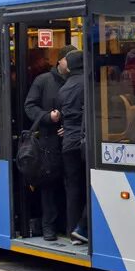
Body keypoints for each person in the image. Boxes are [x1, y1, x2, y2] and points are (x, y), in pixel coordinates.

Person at [24, 44, 76, 240]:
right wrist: (47, 117)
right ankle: (49, 226)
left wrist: (71, 127)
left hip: (70, 140)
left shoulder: (76, 81)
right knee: (49, 186)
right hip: (48, 142)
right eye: (67, 59)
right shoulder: (43, 80)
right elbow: (29, 106)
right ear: (60, 61)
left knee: (71, 184)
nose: (70, 64)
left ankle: (67, 224)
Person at [56, 49, 89, 244]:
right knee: (90, 185)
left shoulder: (63, 88)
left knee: (73, 188)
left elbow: (62, 113)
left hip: (68, 142)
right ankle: (83, 228)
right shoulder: (88, 84)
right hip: (85, 142)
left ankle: (72, 231)